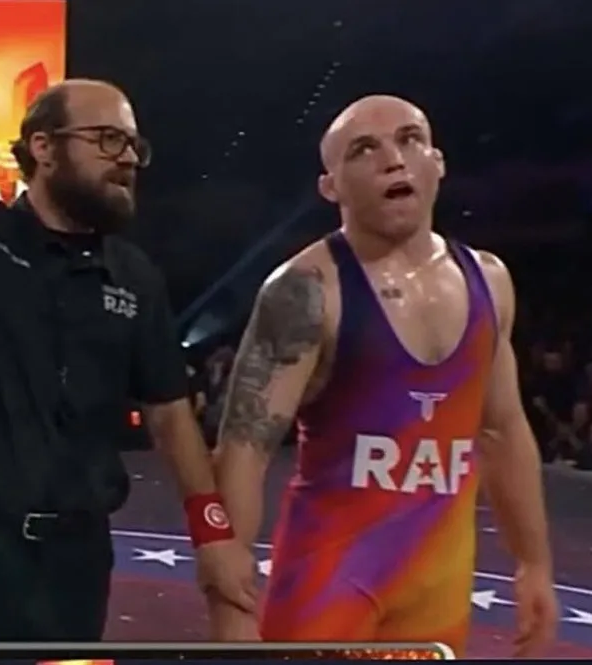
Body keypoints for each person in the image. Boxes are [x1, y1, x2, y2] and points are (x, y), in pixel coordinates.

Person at [0, 79, 256, 640]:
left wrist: (211, 534)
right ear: (43, 147)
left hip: (75, 565)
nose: (127, 159)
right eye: (108, 138)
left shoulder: (133, 276)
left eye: (133, 145)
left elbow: (168, 413)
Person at [209, 95, 559, 656]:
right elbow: (243, 450)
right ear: (331, 187)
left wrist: (533, 563)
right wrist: (229, 605)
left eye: (409, 139)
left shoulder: (489, 283)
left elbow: (503, 429)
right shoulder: (306, 291)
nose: (393, 159)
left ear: (437, 162)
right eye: (364, 150)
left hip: (436, 593)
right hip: (326, 588)